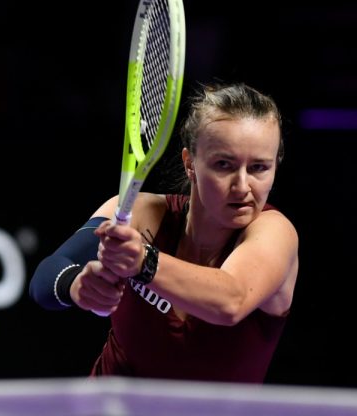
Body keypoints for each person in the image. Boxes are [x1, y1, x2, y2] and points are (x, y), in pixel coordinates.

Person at [29, 82, 299, 383]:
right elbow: (45, 279)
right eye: (224, 164)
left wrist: (144, 261)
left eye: (259, 168)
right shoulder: (143, 214)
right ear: (190, 164)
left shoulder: (275, 232)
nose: (242, 186)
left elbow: (231, 300)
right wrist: (76, 285)